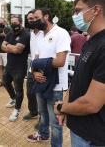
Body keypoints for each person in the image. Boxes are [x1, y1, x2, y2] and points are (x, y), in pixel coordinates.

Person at [54, 0, 105, 146]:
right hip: (79, 130)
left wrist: (62, 107)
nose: (75, 16)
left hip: (92, 138)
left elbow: (91, 104)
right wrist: (65, 107)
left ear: (96, 9)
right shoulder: (90, 42)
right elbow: (77, 79)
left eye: (78, 11)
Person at [26, 8, 71, 146]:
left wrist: (38, 65)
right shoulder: (40, 36)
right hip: (40, 81)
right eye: (32, 18)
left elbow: (60, 61)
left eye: (37, 17)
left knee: (56, 121)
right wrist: (34, 72)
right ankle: (44, 135)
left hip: (56, 86)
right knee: (42, 114)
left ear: (46, 17)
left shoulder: (61, 33)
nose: (34, 20)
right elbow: (35, 60)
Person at [1, 15, 30, 121]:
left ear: (21, 23)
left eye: (15, 23)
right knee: (5, 82)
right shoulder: (9, 34)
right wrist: (12, 48)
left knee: (19, 89)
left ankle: (17, 110)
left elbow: (17, 50)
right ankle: (13, 98)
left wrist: (10, 47)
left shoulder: (25, 35)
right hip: (9, 65)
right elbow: (3, 47)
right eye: (12, 23)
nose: (13, 25)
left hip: (19, 67)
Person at [22, 10, 42, 127]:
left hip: (42, 68)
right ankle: (33, 112)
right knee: (30, 93)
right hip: (32, 68)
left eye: (33, 18)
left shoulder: (44, 33)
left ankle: (42, 118)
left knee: (41, 95)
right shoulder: (31, 34)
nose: (31, 20)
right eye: (29, 19)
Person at [0, 17, 11, 88]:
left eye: (2, 23)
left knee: (7, 67)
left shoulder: (8, 30)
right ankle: (1, 81)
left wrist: (4, 35)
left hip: (6, 51)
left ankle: (8, 82)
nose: (1, 25)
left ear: (5, 23)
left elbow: (11, 40)